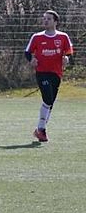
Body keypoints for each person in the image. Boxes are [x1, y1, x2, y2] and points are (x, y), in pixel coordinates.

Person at [26, 10, 74, 143]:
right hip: (42, 73)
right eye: (44, 18)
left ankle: (39, 129)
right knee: (47, 99)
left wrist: (67, 58)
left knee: (50, 102)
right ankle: (41, 130)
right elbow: (27, 52)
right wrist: (31, 59)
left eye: (49, 19)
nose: (45, 21)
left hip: (56, 73)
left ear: (55, 22)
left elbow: (69, 53)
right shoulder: (37, 37)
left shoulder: (63, 37)